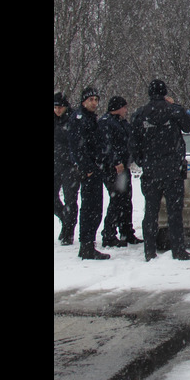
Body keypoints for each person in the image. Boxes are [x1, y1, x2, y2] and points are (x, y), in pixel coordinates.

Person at [129, 79, 190, 261]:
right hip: (172, 169)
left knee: (150, 211)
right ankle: (178, 249)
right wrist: (177, 106)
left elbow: (133, 143)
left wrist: (143, 161)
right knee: (175, 212)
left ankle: (149, 251)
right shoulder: (173, 110)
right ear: (165, 93)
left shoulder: (139, 114)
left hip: (151, 170)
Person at [69, 87, 110, 260]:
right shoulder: (80, 119)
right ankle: (86, 244)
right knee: (90, 209)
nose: (94, 103)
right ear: (83, 101)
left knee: (95, 209)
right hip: (90, 171)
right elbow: (78, 147)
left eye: (96, 99)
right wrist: (88, 169)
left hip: (95, 168)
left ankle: (88, 243)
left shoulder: (90, 119)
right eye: (90, 99)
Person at [99, 96, 142, 248]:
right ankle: (109, 234)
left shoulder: (122, 123)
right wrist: (116, 161)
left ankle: (126, 232)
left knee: (126, 200)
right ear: (117, 108)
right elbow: (106, 144)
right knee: (117, 200)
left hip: (124, 168)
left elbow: (130, 140)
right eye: (124, 107)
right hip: (113, 169)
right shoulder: (106, 123)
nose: (126, 110)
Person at [54, 91, 80, 245]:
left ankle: (68, 231)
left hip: (70, 166)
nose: (57, 110)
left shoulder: (72, 120)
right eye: (55, 107)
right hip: (55, 165)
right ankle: (65, 219)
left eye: (60, 107)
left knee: (71, 199)